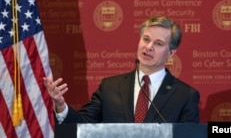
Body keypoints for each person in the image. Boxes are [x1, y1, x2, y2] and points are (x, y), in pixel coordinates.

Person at [43, 16, 200, 124]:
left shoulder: (185, 95)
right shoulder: (110, 87)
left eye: (158, 43)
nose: (149, 47)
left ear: (171, 53)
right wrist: (61, 106)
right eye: (146, 39)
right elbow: (83, 125)